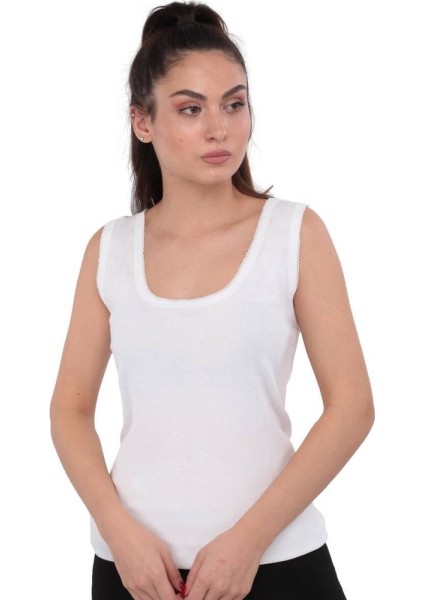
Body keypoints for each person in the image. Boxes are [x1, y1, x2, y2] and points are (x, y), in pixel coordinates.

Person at [50, 2, 375, 599]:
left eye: (234, 104)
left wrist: (248, 542)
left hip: (278, 564)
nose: (219, 128)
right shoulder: (110, 249)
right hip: (135, 573)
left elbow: (352, 407)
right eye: (190, 109)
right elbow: (69, 413)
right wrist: (118, 533)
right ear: (142, 122)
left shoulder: (294, 234)